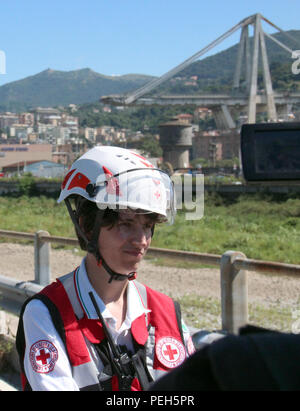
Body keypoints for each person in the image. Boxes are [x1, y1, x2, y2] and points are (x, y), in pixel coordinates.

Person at [16, 146, 195, 391]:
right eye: (126, 223)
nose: (141, 239)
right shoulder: (47, 314)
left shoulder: (167, 313)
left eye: (147, 225)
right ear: (87, 226)